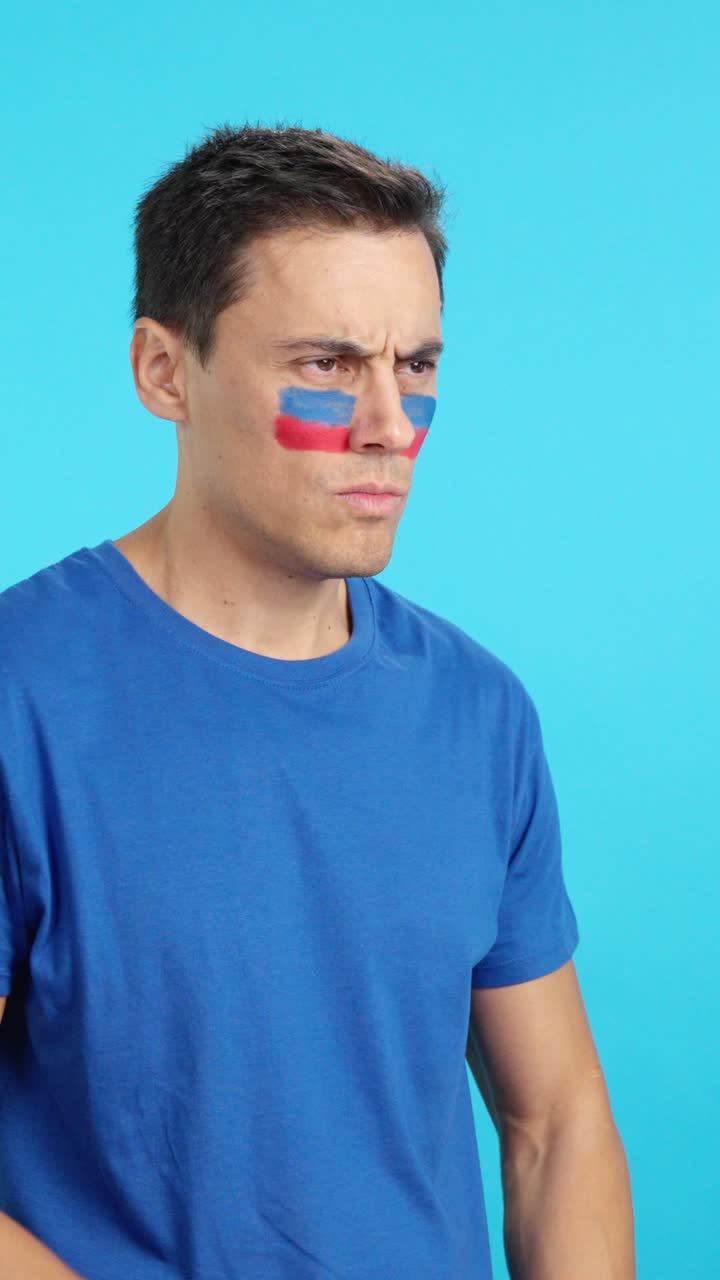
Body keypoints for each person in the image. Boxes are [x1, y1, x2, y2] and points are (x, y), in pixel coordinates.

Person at [0, 123, 635, 1280]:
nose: (390, 425)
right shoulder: (21, 697)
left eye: (419, 365)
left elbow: (557, 1123)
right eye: (328, 365)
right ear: (163, 371)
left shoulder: (481, 715)